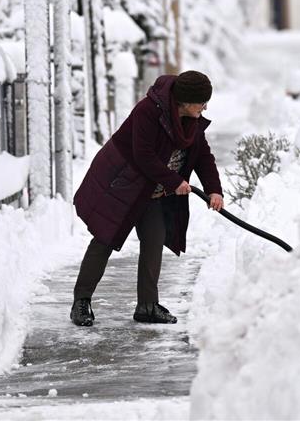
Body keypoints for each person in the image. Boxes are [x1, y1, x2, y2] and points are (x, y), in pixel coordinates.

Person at [70, 70, 224, 326]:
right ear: (185, 101)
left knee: (154, 238)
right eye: (202, 102)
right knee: (105, 239)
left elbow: (203, 155)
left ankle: (147, 305)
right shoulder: (148, 111)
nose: (205, 107)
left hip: (153, 190)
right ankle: (81, 302)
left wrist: (214, 189)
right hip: (123, 184)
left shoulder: (191, 121)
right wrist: (175, 181)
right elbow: (143, 155)